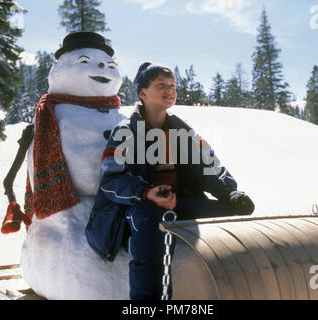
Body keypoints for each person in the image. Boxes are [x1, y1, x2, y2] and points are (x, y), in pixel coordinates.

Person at [85, 62, 255, 300]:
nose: (170, 91)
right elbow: (112, 179)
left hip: (177, 202)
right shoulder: (126, 131)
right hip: (133, 209)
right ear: (142, 93)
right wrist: (146, 192)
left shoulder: (181, 131)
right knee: (153, 220)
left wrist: (230, 193)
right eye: (161, 85)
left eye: (173, 86)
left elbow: (209, 164)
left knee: (231, 214)